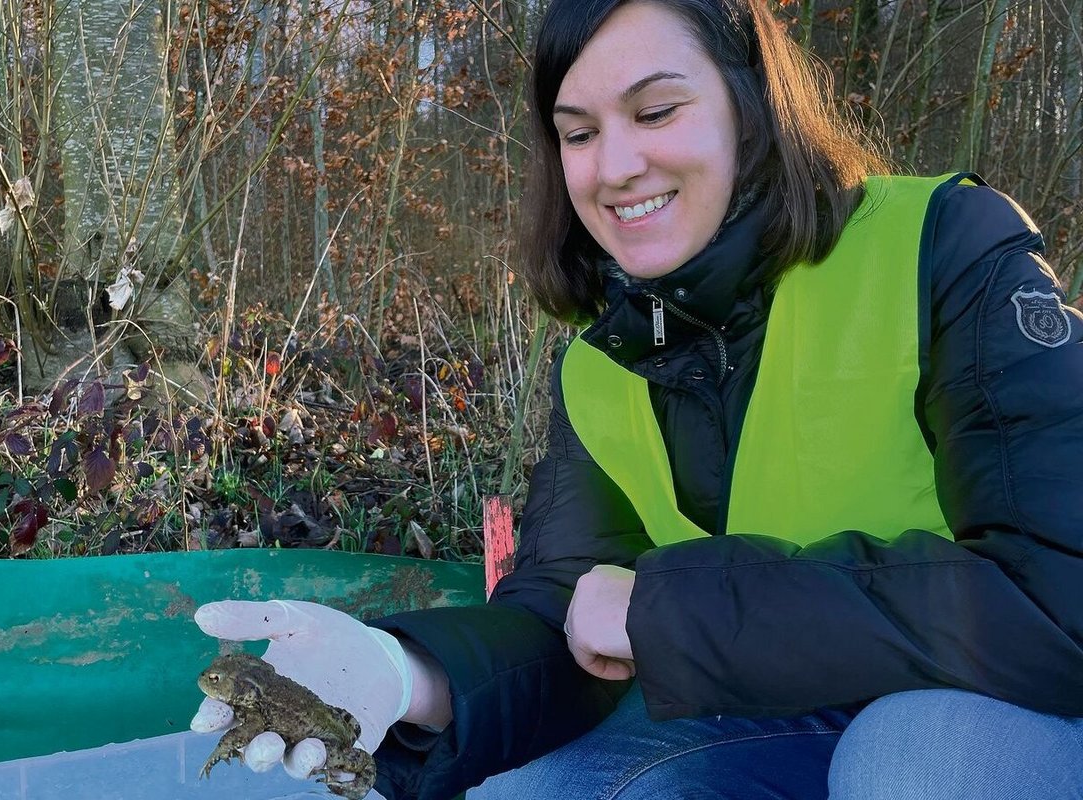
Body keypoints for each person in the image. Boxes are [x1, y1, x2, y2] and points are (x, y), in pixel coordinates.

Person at [191, 0, 1083, 797]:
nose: (615, 165)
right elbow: (563, 618)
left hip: (1006, 706)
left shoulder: (946, 250)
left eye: (656, 111)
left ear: (752, 106)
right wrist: (404, 672)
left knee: (918, 762)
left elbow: (1058, 601)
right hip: (776, 718)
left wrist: (670, 612)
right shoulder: (601, 364)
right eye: (578, 133)